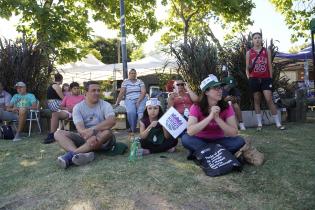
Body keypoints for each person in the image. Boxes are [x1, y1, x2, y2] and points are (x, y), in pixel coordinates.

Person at [54, 81, 116, 169]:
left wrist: (93, 130)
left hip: (103, 139)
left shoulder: (106, 105)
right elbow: (80, 129)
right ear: (85, 93)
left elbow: (112, 121)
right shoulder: (78, 107)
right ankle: (82, 154)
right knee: (58, 133)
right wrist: (88, 135)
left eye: (98, 90)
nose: (97, 93)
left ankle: (71, 155)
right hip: (86, 138)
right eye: (93, 90)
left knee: (107, 132)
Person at [181, 74, 245, 159]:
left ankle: (203, 152)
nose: (220, 91)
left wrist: (217, 118)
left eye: (220, 88)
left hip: (219, 141)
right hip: (200, 140)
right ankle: (219, 153)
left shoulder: (226, 107)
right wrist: (210, 117)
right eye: (216, 88)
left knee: (239, 141)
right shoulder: (196, 107)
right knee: (186, 139)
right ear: (206, 92)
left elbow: (234, 133)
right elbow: (190, 131)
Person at [246, 32, 285, 131]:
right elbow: (247, 68)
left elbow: (270, 66)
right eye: (255, 38)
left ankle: (278, 123)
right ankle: (259, 124)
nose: (257, 39)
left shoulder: (266, 51)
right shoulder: (249, 52)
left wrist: (270, 78)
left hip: (266, 78)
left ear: (261, 39)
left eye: (259, 37)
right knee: (257, 100)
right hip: (254, 79)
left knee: (269, 99)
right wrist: (249, 78)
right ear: (252, 40)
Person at [115, 69, 147, 136]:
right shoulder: (125, 82)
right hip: (129, 99)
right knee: (131, 112)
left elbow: (143, 92)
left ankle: (143, 129)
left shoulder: (140, 81)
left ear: (136, 74)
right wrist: (117, 102)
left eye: (134, 73)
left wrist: (138, 101)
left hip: (141, 98)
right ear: (129, 74)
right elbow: (122, 92)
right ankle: (133, 128)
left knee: (140, 113)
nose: (133, 74)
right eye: (131, 73)